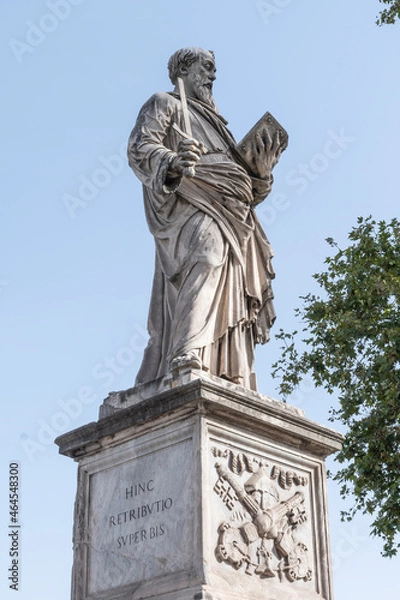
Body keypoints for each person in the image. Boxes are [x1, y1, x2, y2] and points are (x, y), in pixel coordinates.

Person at [127, 47, 284, 390]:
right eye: (207, 67)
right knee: (206, 258)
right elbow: (139, 147)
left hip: (235, 213)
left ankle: (223, 367)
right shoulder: (165, 103)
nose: (213, 76)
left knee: (230, 286)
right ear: (184, 68)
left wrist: (263, 172)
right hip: (193, 200)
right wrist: (172, 160)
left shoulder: (221, 129)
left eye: (214, 70)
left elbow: (249, 190)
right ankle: (186, 354)